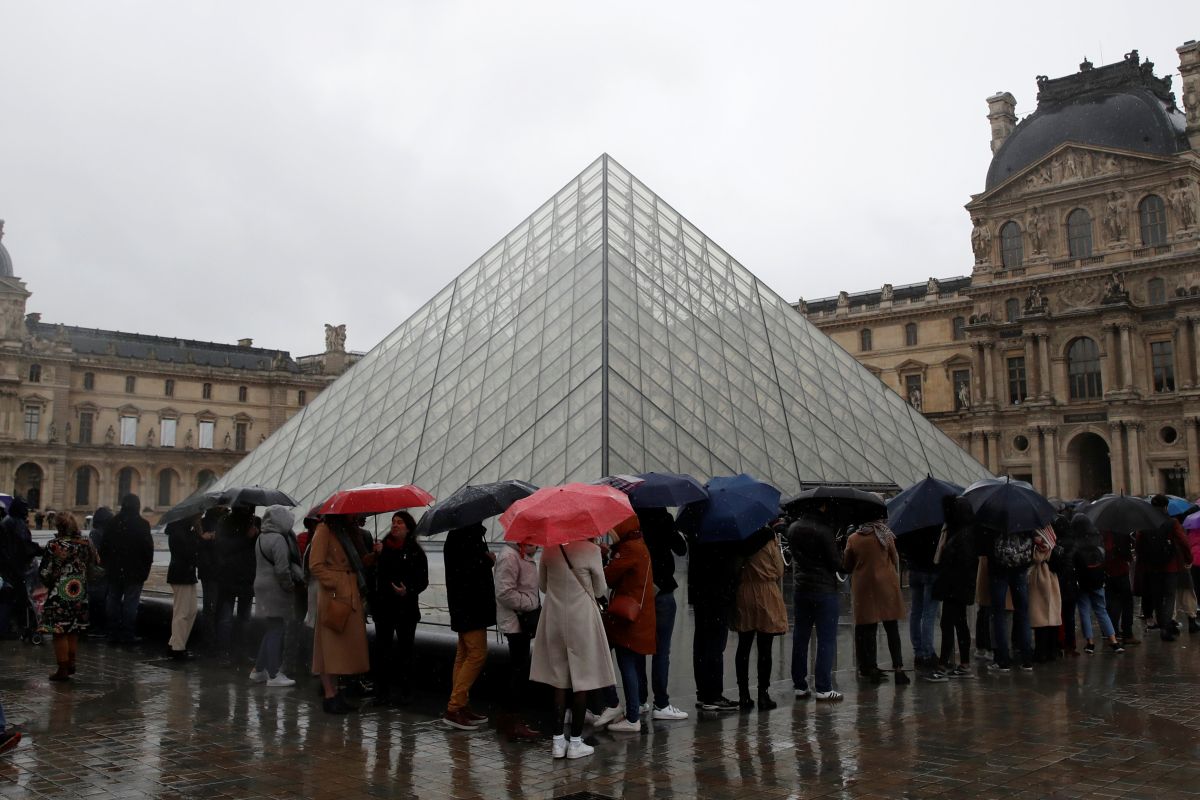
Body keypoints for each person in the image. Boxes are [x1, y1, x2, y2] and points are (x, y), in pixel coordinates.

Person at [530, 539, 615, 760]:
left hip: (555, 618)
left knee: (559, 680)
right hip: (582, 621)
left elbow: (542, 586)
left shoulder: (549, 549)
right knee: (582, 680)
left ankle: (558, 741)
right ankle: (576, 742)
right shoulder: (591, 550)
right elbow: (600, 589)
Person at [310, 513, 371, 713]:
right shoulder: (324, 530)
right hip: (334, 596)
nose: (354, 518)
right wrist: (337, 581)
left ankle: (336, 693)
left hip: (347, 593)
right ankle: (330, 695)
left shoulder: (346, 532)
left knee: (339, 649)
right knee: (329, 648)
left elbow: (358, 562)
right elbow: (315, 565)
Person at [603, 516, 657, 730]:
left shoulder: (630, 549)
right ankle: (629, 709)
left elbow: (607, 577)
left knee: (624, 663)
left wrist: (605, 557)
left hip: (627, 619)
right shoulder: (638, 545)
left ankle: (630, 715)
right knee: (629, 663)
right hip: (635, 617)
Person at [635, 507, 689, 720]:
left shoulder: (632, 519)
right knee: (661, 650)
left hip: (638, 591)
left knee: (637, 648)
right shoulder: (663, 518)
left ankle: (638, 701)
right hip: (663, 589)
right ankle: (661, 703)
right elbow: (681, 548)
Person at [442, 523, 496, 730]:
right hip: (472, 605)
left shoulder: (456, 536)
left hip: (462, 605)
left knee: (463, 655)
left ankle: (461, 704)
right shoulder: (466, 538)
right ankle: (454, 707)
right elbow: (468, 570)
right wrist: (487, 561)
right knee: (477, 654)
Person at [844, 519, 909, 685]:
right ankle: (898, 668)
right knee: (891, 628)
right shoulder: (885, 534)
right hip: (886, 585)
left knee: (869, 629)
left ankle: (872, 668)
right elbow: (894, 558)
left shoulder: (853, 538)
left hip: (864, 586)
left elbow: (847, 564)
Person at [374, 511, 428, 707]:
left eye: (399, 522)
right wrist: (377, 556)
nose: (395, 525)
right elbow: (376, 576)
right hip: (384, 608)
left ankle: (406, 692)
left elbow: (423, 581)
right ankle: (382, 693)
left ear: (408, 528)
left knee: (406, 652)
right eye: (393, 522)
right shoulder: (382, 549)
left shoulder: (415, 552)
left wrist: (408, 590)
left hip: (406, 610)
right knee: (382, 651)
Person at [788, 512, 843, 701]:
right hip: (824, 590)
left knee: (800, 637)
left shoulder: (793, 528)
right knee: (826, 639)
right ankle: (823, 687)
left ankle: (800, 685)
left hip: (801, 589)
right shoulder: (824, 531)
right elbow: (836, 564)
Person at [732, 527, 788, 710]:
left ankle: (743, 695)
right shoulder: (768, 538)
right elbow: (779, 569)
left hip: (744, 593)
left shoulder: (739, 538)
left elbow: (734, 568)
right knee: (765, 648)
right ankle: (763, 694)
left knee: (744, 646)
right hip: (766, 593)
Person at [38, 512, 97, 680]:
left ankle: (62, 669)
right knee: (73, 629)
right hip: (79, 591)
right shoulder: (85, 543)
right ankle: (71, 663)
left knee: (59, 630)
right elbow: (96, 562)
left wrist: (48, 580)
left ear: (59, 527)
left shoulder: (55, 545)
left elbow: (45, 571)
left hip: (60, 592)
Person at [250, 505, 303, 687]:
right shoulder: (279, 539)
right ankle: (273, 674)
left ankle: (258, 670)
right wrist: (289, 586)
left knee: (271, 627)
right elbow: (282, 569)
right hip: (275, 588)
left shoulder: (261, 537)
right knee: (277, 629)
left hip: (261, 586)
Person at [494, 535, 540, 740]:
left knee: (518, 669)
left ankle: (507, 718)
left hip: (521, 620)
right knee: (518, 671)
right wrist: (530, 603)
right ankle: (512, 721)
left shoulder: (522, 555)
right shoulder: (510, 556)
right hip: (516, 621)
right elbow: (504, 592)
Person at [688, 533, 740, 711]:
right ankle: (713, 695)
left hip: (700, 594)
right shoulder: (723, 534)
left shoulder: (696, 528)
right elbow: (730, 564)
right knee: (715, 645)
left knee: (702, 643)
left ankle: (704, 692)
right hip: (718, 594)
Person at [99, 494, 153, 645]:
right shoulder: (142, 524)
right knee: (131, 603)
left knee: (113, 601)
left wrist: (107, 566)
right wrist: (145, 570)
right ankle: (128, 635)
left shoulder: (112, 523)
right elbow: (148, 550)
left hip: (115, 570)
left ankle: (112, 633)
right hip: (135, 572)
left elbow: (104, 548)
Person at [1138, 495, 1192, 641]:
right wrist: (1188, 559)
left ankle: (1163, 624)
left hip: (1151, 567)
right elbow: (1184, 542)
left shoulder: (1145, 524)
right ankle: (1166, 628)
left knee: (1157, 597)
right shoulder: (1172, 522)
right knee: (1169, 596)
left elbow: (1139, 546)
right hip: (1170, 566)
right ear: (1166, 507)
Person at [933, 496, 976, 678]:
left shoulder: (962, 535)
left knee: (948, 624)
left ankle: (943, 666)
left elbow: (962, 564)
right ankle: (963, 664)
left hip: (955, 588)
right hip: (958, 587)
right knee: (959, 623)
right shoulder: (965, 532)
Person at [983, 524, 1034, 672]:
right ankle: (1026, 658)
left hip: (998, 570)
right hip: (1020, 568)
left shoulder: (992, 520)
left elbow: (985, 547)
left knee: (999, 614)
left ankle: (1002, 660)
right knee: (1023, 613)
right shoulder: (1024, 518)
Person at [1072, 516, 1125, 654]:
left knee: (1084, 611)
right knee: (1101, 610)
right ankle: (1113, 640)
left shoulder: (1075, 540)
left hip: (1082, 580)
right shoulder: (1097, 537)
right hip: (1097, 578)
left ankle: (1090, 643)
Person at [896, 522, 942, 680]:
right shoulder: (937, 523)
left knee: (916, 612)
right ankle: (928, 653)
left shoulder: (912, 523)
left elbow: (900, 544)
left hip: (915, 569)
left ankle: (919, 651)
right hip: (931, 570)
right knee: (929, 613)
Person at [214, 505, 258, 664]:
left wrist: (256, 536)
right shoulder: (225, 522)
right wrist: (246, 537)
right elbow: (223, 547)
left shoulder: (255, 522)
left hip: (246, 577)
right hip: (230, 576)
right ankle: (223, 653)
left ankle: (240, 652)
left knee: (244, 619)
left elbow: (256, 550)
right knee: (226, 619)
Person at [0, 497, 38, 637]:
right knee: (17, 598)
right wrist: (38, 550)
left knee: (11, 597)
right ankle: (15, 627)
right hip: (15, 567)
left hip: (9, 565)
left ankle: (12, 626)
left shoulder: (9, 521)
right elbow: (23, 545)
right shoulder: (16, 522)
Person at [165, 515, 202, 659]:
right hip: (181, 574)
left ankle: (175, 642)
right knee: (182, 612)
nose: (201, 518)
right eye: (199, 515)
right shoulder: (178, 532)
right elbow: (189, 553)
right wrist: (199, 535)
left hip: (186, 574)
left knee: (191, 611)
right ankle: (177, 649)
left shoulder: (184, 530)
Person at [1027, 525, 1062, 662]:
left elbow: (1037, 557)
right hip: (1051, 577)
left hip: (1040, 576)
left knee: (1040, 617)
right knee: (1051, 616)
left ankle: (1041, 652)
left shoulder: (1038, 535)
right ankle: (1051, 650)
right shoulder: (1050, 531)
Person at [195, 508, 223, 652]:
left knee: (212, 607)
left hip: (213, 571)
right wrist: (207, 539)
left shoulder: (221, 522)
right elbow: (199, 547)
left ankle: (212, 641)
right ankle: (210, 643)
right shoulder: (204, 524)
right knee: (211, 608)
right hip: (212, 571)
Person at [85, 507, 112, 639]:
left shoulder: (95, 533)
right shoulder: (104, 532)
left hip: (97, 571)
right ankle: (99, 627)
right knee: (100, 599)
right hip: (103, 570)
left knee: (96, 599)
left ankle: (96, 627)